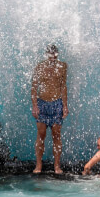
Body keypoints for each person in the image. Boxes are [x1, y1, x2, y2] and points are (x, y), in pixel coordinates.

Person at [32, 44, 69, 174]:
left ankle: (57, 166)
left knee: (56, 136)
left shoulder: (62, 66)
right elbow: (34, 87)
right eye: (50, 54)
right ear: (47, 55)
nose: (53, 57)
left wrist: (65, 105)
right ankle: (38, 165)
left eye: (55, 55)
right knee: (41, 135)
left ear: (57, 54)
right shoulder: (40, 66)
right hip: (42, 103)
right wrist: (35, 105)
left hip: (57, 103)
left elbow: (63, 86)